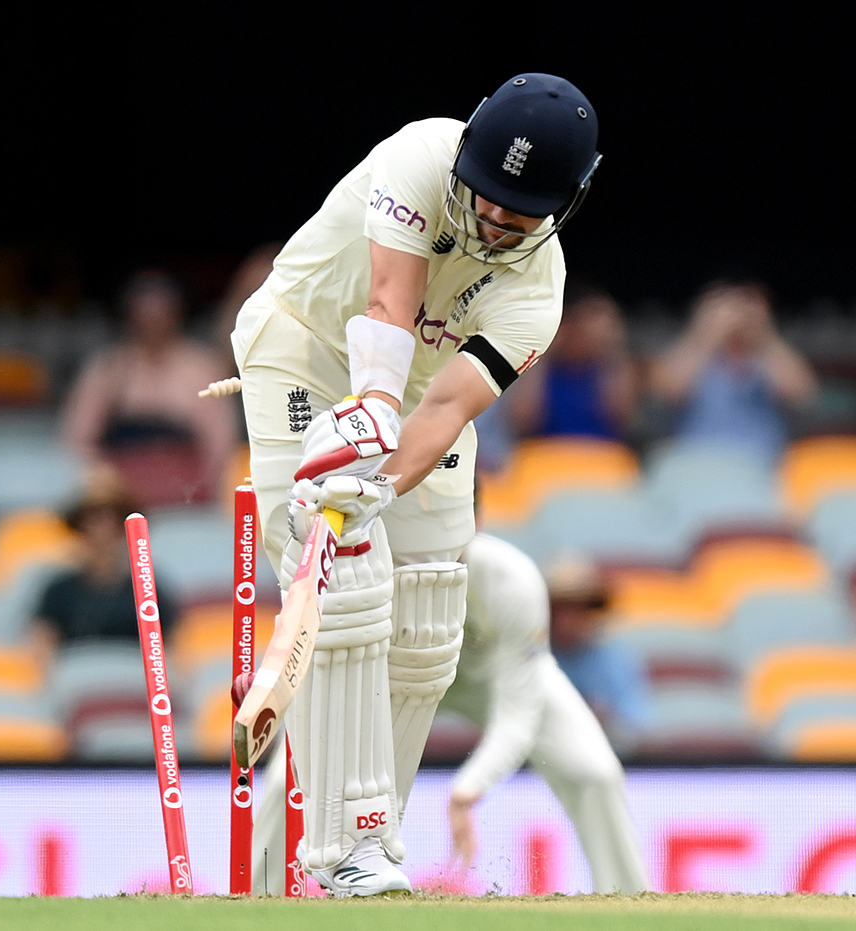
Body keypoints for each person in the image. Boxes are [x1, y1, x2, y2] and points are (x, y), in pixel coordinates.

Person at [230, 73, 601, 896]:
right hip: (303, 347)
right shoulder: (421, 153)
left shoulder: (537, 293)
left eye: (519, 213)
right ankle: (329, 853)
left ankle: (370, 840)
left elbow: (444, 408)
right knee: (344, 576)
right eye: (486, 195)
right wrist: (363, 426)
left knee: (430, 608)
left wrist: (380, 486)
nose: (494, 219)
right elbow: (389, 303)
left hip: (417, 398)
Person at [250, 533, 649, 895]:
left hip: (490, 680)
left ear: (473, 521)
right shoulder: (372, 567)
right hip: (392, 675)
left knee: (596, 772)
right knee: (292, 778)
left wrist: (467, 790)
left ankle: (630, 901)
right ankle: (260, 898)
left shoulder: (514, 580)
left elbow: (517, 718)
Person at [61, 270, 237, 504]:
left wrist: (202, 491)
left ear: (177, 313)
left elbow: (220, 445)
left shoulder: (201, 368)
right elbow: (78, 441)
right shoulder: (107, 369)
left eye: (161, 311)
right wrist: (105, 484)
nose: (153, 320)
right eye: (145, 311)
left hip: (186, 496)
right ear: (129, 315)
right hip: (121, 494)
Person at [648, 281, 815, 462]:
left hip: (762, 462)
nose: (736, 314)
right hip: (697, 461)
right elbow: (668, 390)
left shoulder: (768, 353)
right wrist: (707, 334)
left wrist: (764, 333)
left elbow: (802, 394)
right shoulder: (692, 352)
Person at [28, 466, 176, 666]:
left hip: (133, 682)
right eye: (90, 520)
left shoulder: (147, 589)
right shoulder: (58, 591)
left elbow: (168, 653)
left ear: (122, 528)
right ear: (79, 528)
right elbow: (42, 650)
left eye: (109, 518)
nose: (99, 529)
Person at [502, 280, 637, 440]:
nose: (582, 331)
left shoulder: (612, 366)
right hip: (546, 449)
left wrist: (611, 346)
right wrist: (544, 349)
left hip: (602, 450)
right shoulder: (542, 366)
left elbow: (621, 416)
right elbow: (523, 420)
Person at [543, 552, 651, 744]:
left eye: (578, 608)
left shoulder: (614, 658)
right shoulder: (531, 657)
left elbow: (638, 726)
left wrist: (605, 719)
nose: (568, 619)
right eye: (560, 607)